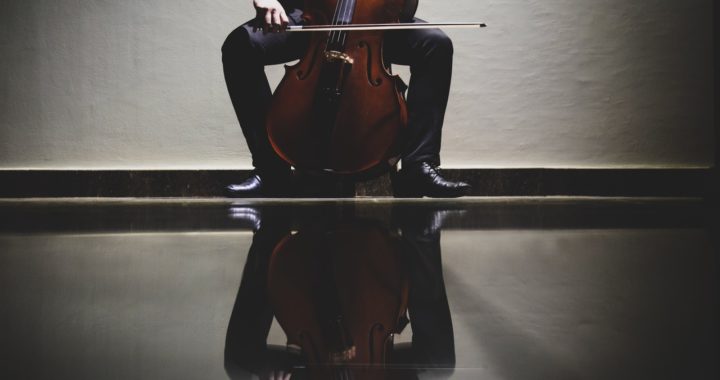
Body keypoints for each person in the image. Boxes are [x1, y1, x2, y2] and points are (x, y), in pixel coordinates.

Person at [222, 0, 471, 198]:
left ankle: (418, 167)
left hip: (371, 16)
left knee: (436, 44)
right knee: (240, 46)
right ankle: (271, 171)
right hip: (310, 13)